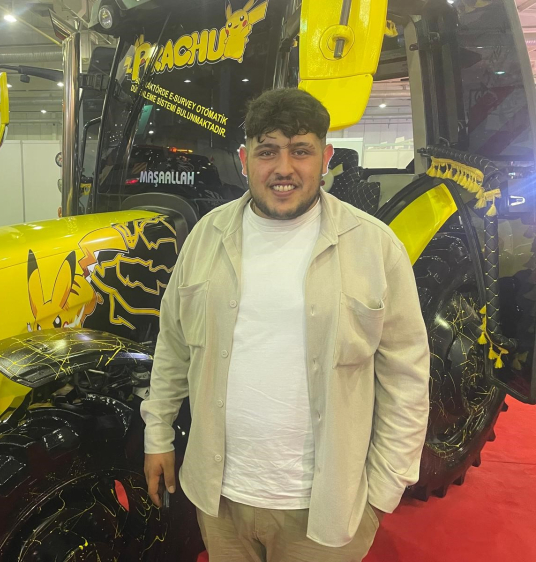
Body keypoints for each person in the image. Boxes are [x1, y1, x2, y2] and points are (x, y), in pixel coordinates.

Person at [141, 88, 430, 562]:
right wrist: (158, 434)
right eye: (267, 151)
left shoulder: (374, 247)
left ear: (326, 158)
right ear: (244, 160)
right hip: (220, 499)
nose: (283, 168)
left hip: (325, 510)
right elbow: (173, 345)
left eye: (300, 151)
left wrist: (384, 489)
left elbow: (406, 377)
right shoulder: (206, 237)